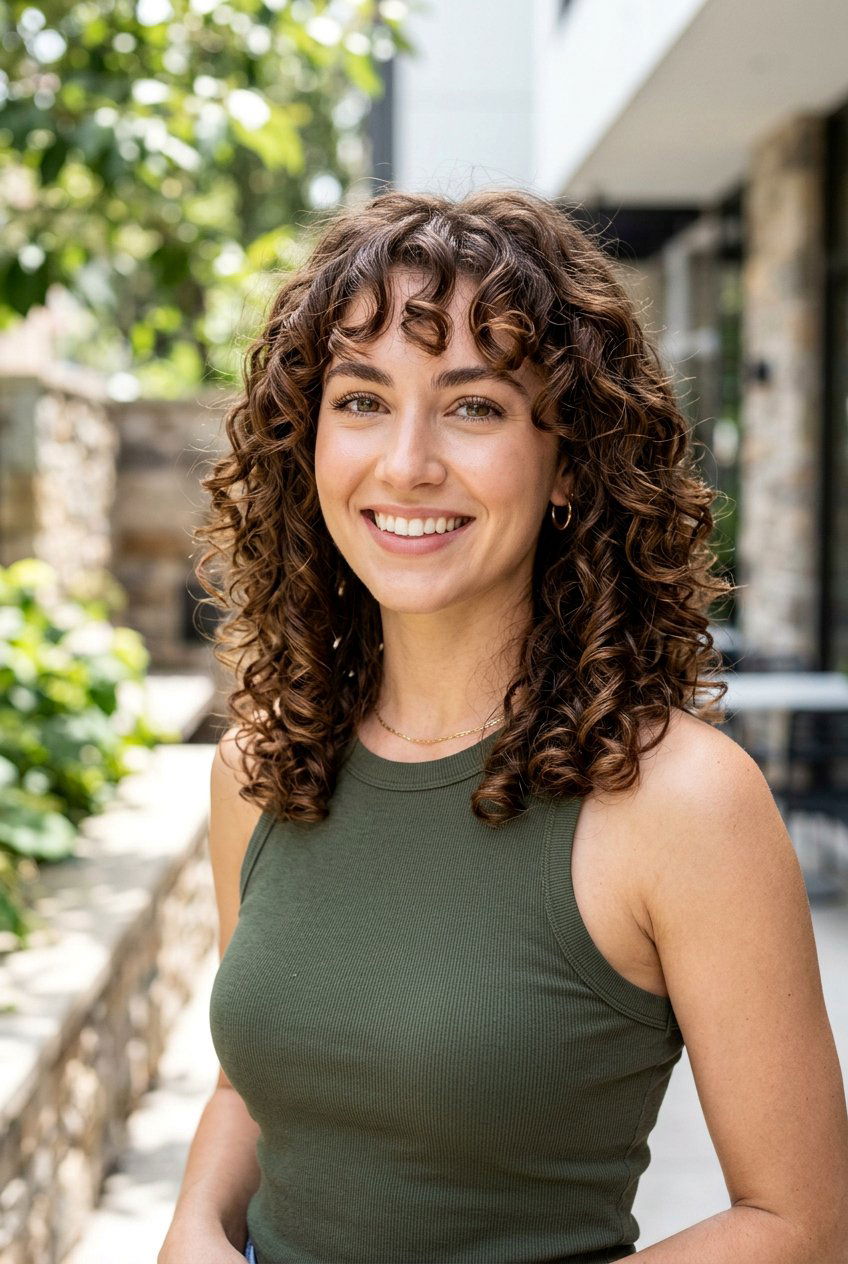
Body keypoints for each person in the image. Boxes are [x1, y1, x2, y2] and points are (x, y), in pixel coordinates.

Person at [158, 188, 848, 1264]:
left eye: (473, 406)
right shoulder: (263, 761)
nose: (406, 463)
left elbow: (799, 1225)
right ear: (307, 439)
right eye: (361, 401)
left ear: (568, 458)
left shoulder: (681, 800)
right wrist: (194, 1228)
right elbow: (260, 1079)